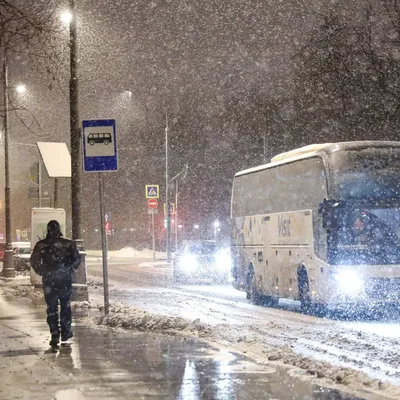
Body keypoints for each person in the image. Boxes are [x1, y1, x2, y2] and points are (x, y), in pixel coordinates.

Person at [30, 220, 81, 347]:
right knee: (65, 306)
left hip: (49, 280)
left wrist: (44, 271)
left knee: (51, 308)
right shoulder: (68, 244)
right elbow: (77, 260)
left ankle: (54, 334)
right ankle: (66, 331)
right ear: (59, 229)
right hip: (64, 280)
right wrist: (68, 269)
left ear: (48, 230)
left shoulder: (41, 245)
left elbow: (34, 261)